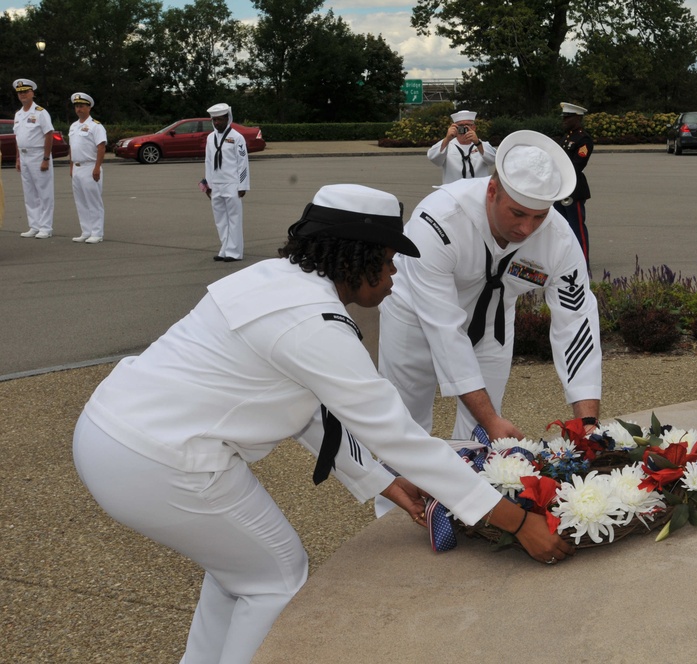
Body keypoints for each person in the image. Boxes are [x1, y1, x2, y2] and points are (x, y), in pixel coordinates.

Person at [73, 184, 572, 664]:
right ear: (357, 257)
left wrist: (381, 480)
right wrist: (518, 521)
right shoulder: (316, 322)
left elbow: (310, 410)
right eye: (388, 258)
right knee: (276, 578)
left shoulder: (271, 280)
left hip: (111, 434)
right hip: (163, 463)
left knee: (239, 572)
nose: (395, 273)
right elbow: (398, 436)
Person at [379, 130, 602, 443]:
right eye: (517, 213)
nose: (527, 229)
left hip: (492, 322)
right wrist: (490, 419)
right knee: (405, 425)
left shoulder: (559, 238)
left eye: (539, 216)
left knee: (479, 437)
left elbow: (577, 322)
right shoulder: (439, 220)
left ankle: (470, 490)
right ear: (492, 190)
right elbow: (444, 328)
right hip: (413, 313)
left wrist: (588, 420)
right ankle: (396, 492)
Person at [204, 102, 248, 262]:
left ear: (228, 118)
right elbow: (208, 162)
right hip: (215, 184)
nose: (217, 123)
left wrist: (243, 185)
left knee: (234, 219)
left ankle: (234, 252)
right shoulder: (210, 138)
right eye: (214, 120)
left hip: (232, 184)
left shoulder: (237, 137)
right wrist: (207, 185)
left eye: (220, 120)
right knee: (220, 220)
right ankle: (224, 249)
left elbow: (243, 162)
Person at [552, 102, 594, 266]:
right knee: (561, 227)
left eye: (567, 117)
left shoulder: (583, 140)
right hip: (560, 188)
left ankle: (583, 261)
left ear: (577, 118)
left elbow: (577, 165)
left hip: (573, 189)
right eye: (564, 117)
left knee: (577, 227)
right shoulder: (567, 137)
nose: (564, 120)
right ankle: (565, 260)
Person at [12, 78, 55, 239]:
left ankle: (46, 227)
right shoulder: (18, 114)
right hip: (23, 156)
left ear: (32, 93)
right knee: (29, 193)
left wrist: (46, 158)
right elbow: (19, 138)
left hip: (38, 155)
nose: (23, 95)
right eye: (20, 92)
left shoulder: (40, 112)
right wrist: (17, 158)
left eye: (25, 92)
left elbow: (49, 134)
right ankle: (34, 225)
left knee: (44, 192)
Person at [67, 92, 107, 243]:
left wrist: (97, 167)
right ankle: (86, 231)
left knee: (93, 201)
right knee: (81, 201)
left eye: (82, 106)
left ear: (89, 107)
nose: (79, 109)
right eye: (77, 106)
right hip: (77, 167)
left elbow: (101, 147)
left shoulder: (95, 126)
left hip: (90, 167)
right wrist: (71, 166)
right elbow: (72, 147)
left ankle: (97, 233)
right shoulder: (74, 126)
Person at [426, 109, 496, 184]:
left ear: (474, 128)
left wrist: (477, 143)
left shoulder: (482, 145)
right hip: (453, 191)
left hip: (478, 191)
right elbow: (433, 158)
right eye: (460, 126)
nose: (464, 129)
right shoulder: (447, 145)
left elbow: (492, 160)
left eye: (467, 125)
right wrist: (447, 139)